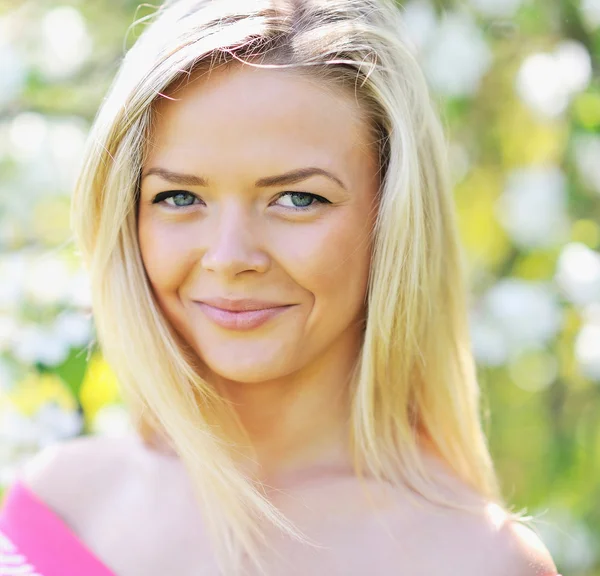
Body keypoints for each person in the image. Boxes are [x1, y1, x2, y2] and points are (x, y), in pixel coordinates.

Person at [0, 0, 561, 575]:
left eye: (297, 199)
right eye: (179, 197)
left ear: (391, 219)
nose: (230, 258)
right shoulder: (61, 505)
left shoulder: (478, 560)